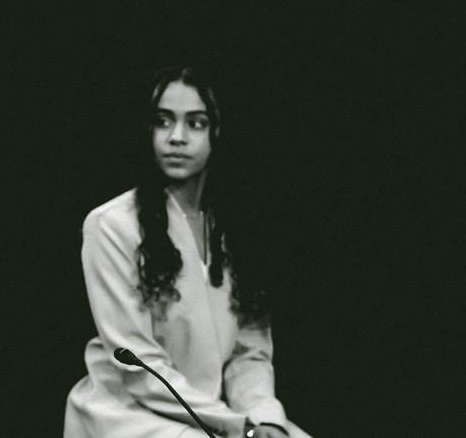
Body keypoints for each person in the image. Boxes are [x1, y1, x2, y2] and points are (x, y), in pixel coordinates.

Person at [64, 67, 311, 438]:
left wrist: (264, 418)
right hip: (129, 415)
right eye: (164, 121)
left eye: (195, 123)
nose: (177, 137)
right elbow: (138, 366)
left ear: (217, 131)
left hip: (210, 415)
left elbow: (249, 353)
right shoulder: (111, 225)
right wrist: (237, 426)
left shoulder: (236, 230)